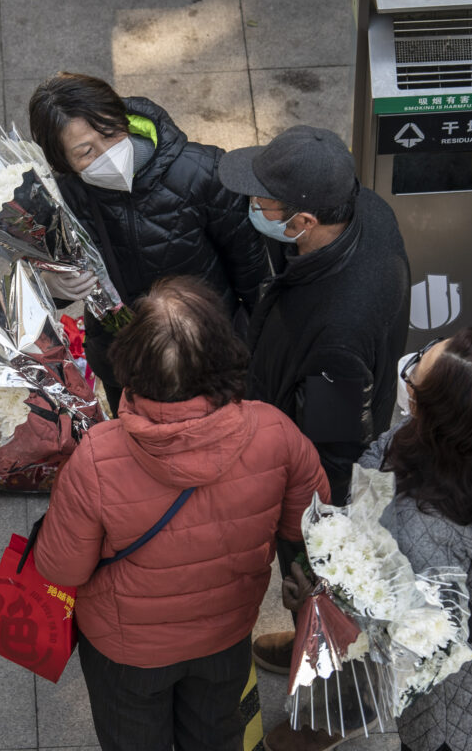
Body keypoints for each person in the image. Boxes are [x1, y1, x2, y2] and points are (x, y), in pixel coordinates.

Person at [34, 276, 330, 751]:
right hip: (227, 633)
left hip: (126, 652)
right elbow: (314, 533)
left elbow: (60, 567)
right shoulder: (277, 433)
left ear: (130, 365)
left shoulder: (95, 456)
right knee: (218, 735)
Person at [266, 327, 472, 751]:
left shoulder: (425, 530)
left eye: (415, 372)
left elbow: (399, 640)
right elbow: (379, 468)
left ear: (424, 408)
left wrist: (316, 603)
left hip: (453, 713)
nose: (410, 369)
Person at [217, 124, 411, 674]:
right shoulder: (367, 210)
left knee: (318, 585)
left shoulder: (337, 330)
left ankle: (331, 687)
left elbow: (329, 446)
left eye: (262, 202)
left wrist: (308, 534)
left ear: (303, 222)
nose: (252, 208)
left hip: (315, 482)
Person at [28, 72, 269, 414]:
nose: (107, 154)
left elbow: (251, 269)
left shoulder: (202, 172)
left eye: (111, 134)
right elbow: (45, 279)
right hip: (124, 359)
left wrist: (258, 345)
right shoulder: (60, 201)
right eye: (85, 153)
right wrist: (56, 285)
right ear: (62, 161)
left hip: (208, 347)